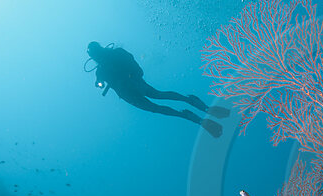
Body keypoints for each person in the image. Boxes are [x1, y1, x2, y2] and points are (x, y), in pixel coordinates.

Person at [86, 41, 229, 137]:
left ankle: (193, 106)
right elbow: (99, 81)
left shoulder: (115, 54)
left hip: (132, 85)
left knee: (159, 98)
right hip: (128, 92)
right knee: (157, 104)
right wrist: (99, 82)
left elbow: (130, 60)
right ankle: (191, 114)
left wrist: (134, 72)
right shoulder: (101, 69)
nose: (97, 57)